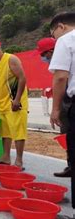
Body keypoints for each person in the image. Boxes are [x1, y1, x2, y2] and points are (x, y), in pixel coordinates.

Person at [48, 11, 75, 219]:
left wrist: (55, 109)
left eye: (53, 33)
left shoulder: (66, 41)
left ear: (61, 27)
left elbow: (60, 77)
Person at [0, 38, 28, 168]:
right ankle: (5, 157)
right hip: (2, 103)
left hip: (15, 102)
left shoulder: (11, 59)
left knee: (18, 131)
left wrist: (17, 99)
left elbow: (22, 78)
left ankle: (19, 160)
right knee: (5, 132)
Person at [37, 37, 71, 177]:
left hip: (70, 102)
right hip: (66, 103)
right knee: (67, 133)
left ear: (52, 51)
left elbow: (62, 80)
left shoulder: (65, 59)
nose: (44, 58)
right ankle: (71, 164)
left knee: (70, 133)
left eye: (45, 55)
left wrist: (55, 109)